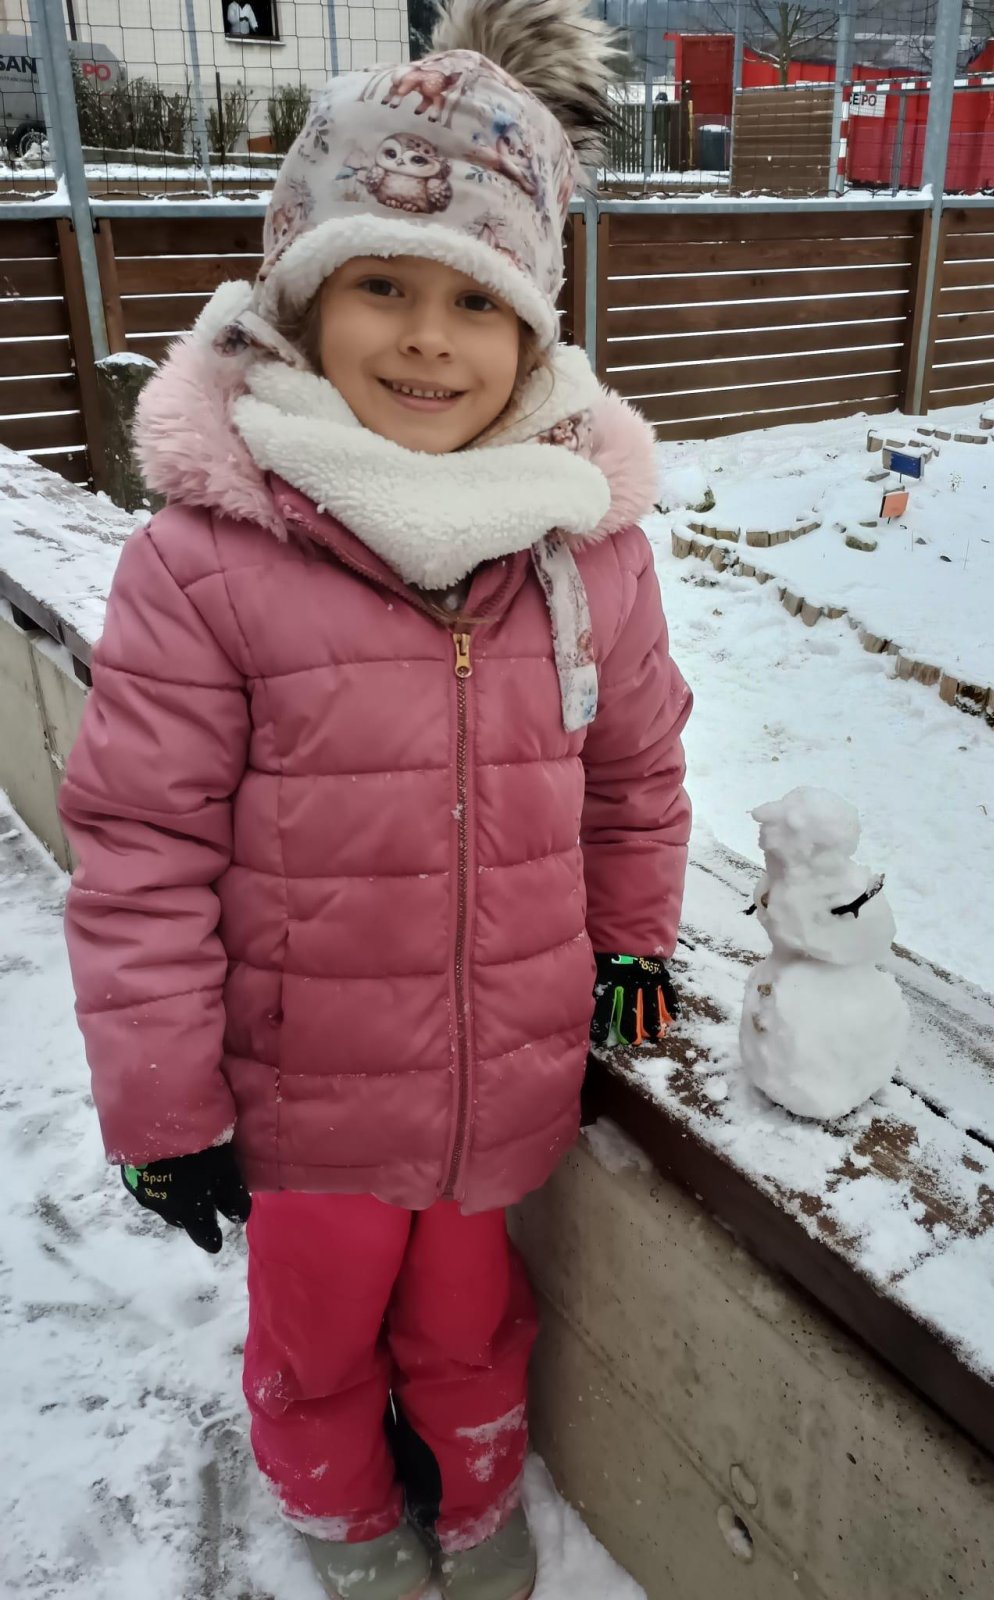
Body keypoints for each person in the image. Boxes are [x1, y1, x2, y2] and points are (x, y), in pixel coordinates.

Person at [57, 2, 692, 1597]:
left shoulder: (583, 547)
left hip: (502, 1082)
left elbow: (635, 772)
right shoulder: (211, 558)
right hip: (305, 1099)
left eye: (476, 299)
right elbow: (141, 849)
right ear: (300, 300)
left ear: (532, 332)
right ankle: (343, 1520)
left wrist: (635, 939)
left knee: (471, 1324)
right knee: (320, 1331)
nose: (427, 340)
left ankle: (474, 1503)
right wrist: (161, 1102)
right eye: (381, 287)